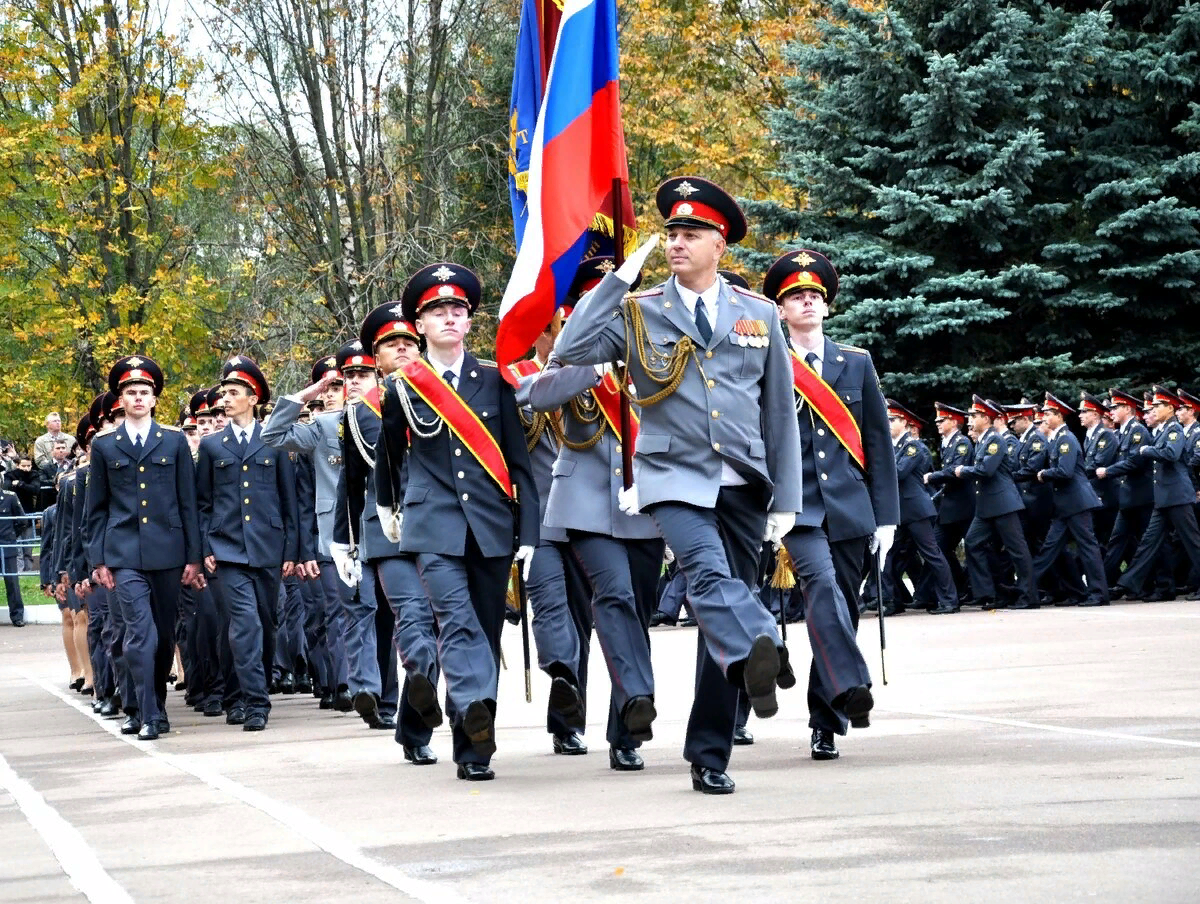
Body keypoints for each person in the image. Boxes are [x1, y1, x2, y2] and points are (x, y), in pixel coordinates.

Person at [553, 176, 803, 794]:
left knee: (722, 613)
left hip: (743, 479)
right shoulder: (638, 313)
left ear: (721, 244)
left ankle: (710, 752)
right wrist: (615, 282)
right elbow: (568, 348)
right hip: (671, 478)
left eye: (691, 234)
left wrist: (787, 500)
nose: (676, 243)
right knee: (709, 578)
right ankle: (762, 641)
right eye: (671, 233)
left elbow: (778, 411)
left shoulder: (759, 315)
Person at [375, 262, 538, 781]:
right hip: (433, 526)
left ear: (469, 322)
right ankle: (471, 706)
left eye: (457, 310)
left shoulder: (495, 381)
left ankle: (474, 749)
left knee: (485, 633)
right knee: (457, 621)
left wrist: (529, 532)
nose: (448, 317)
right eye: (436, 311)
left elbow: (519, 463)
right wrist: (390, 513)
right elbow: (389, 459)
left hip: (491, 525)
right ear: (418, 326)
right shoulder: (404, 387)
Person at [528, 256, 670, 770]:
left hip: (645, 505)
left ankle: (625, 730)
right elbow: (532, 396)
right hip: (581, 507)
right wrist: (593, 369)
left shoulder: (656, 351)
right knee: (610, 598)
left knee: (634, 614)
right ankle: (584, 715)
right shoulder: (570, 356)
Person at [762, 248, 897, 761]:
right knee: (820, 586)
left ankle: (827, 718)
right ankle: (853, 682)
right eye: (796, 296)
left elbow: (878, 444)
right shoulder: (770, 363)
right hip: (797, 510)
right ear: (780, 309)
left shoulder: (856, 363)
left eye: (815, 295)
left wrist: (887, 518)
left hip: (849, 506)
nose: (808, 303)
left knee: (843, 608)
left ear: (828, 306)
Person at [84, 355, 205, 740]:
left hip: (168, 551)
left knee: (164, 636)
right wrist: (98, 559)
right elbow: (97, 508)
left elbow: (188, 503)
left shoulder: (173, 441)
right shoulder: (105, 446)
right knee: (140, 632)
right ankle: (146, 712)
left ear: (154, 399)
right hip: (123, 551)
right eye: (130, 392)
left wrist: (193, 557)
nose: (137, 397)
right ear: (120, 399)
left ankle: (149, 702)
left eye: (144, 392)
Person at [196, 356, 298, 731]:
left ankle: (244, 691)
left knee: (267, 625)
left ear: (253, 398)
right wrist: (205, 547)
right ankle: (253, 702)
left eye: (234, 393)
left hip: (269, 547)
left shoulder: (273, 442)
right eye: (224, 392)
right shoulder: (211, 446)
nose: (226, 399)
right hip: (227, 548)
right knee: (243, 625)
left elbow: (290, 503)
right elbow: (202, 504)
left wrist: (292, 552)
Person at [262, 357, 355, 713]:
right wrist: (305, 551)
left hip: (377, 531)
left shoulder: (385, 415)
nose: (333, 394)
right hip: (330, 538)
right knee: (332, 613)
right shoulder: (320, 429)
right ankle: (341, 682)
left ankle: (371, 686)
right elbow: (301, 502)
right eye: (328, 388)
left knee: (374, 614)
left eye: (339, 385)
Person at [1103, 386, 1200, 600]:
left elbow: (1171, 454)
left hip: (1177, 495)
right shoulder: (1165, 430)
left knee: (1192, 542)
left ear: (1170, 408)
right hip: (1164, 497)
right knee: (1149, 543)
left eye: (1158, 406)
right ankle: (1130, 583)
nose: (1154, 410)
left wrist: (1146, 450)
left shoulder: (1174, 429)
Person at [955, 396, 1037, 610]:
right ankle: (989, 592)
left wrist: (962, 471)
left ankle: (1029, 596)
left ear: (986, 418)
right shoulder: (983, 439)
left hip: (1003, 504)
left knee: (1017, 550)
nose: (970, 420)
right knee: (973, 543)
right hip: (987, 507)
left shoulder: (995, 439)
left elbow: (986, 470)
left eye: (974, 416)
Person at [1031, 393, 1109, 607]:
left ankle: (1098, 593)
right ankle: (1026, 589)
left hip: (1076, 503)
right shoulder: (1057, 438)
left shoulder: (1066, 438)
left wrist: (1044, 474)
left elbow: (1065, 472)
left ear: (1059, 416)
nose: (1044, 417)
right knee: (1049, 548)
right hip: (1066, 506)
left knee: (1088, 548)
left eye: (1048, 414)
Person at [885, 400, 959, 615]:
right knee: (889, 555)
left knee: (932, 554)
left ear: (905, 423)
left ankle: (949, 600)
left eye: (893, 420)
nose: (888, 423)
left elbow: (898, 473)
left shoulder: (913, 447)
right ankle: (893, 601)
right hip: (900, 511)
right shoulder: (895, 447)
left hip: (916, 510)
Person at [1098, 389, 1154, 585]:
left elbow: (1135, 462)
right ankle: (1103, 584)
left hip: (1142, 496)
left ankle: (1162, 583)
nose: (1111, 411)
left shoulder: (1137, 431)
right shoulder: (1124, 432)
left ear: (1128, 409)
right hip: (1129, 497)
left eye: (1116, 407)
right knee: (1118, 540)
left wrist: (1108, 471)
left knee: (1151, 542)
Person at [922, 403, 975, 604]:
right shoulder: (948, 443)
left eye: (942, 420)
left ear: (954, 422)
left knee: (974, 547)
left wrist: (931, 477)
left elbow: (954, 472)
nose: (938, 424)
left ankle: (974, 590)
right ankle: (957, 589)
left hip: (963, 507)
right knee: (937, 548)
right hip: (951, 508)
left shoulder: (962, 443)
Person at [1, 479, 27, 627]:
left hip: (7, 546)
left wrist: (11, 536)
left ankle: (17, 616)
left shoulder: (10, 497)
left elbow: (22, 521)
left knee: (12, 584)